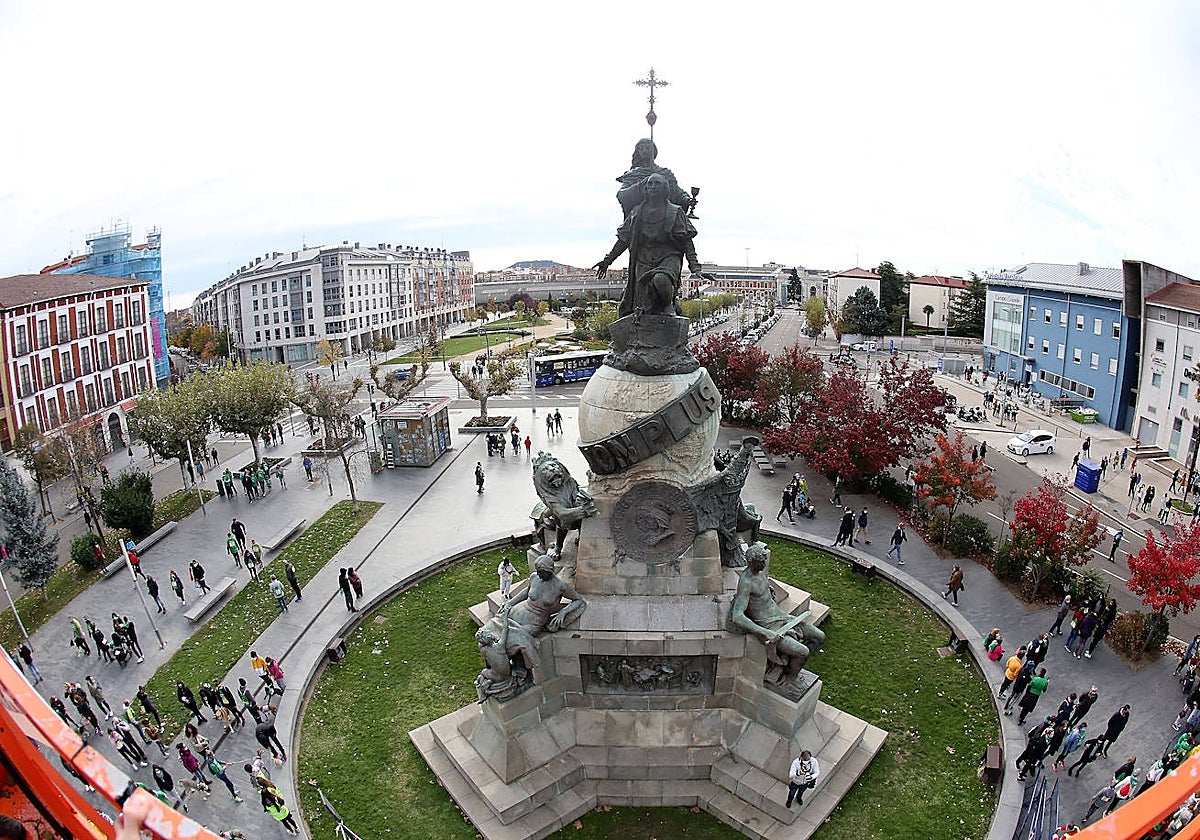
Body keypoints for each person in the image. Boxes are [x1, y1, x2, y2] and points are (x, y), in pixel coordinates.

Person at [729, 543, 825, 698]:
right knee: (803, 652)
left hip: (784, 619)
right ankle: (790, 679)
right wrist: (765, 633)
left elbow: (764, 595)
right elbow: (737, 616)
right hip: (771, 627)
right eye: (762, 561)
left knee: (819, 636)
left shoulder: (760, 573)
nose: (765, 563)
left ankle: (786, 667)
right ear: (753, 562)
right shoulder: (746, 583)